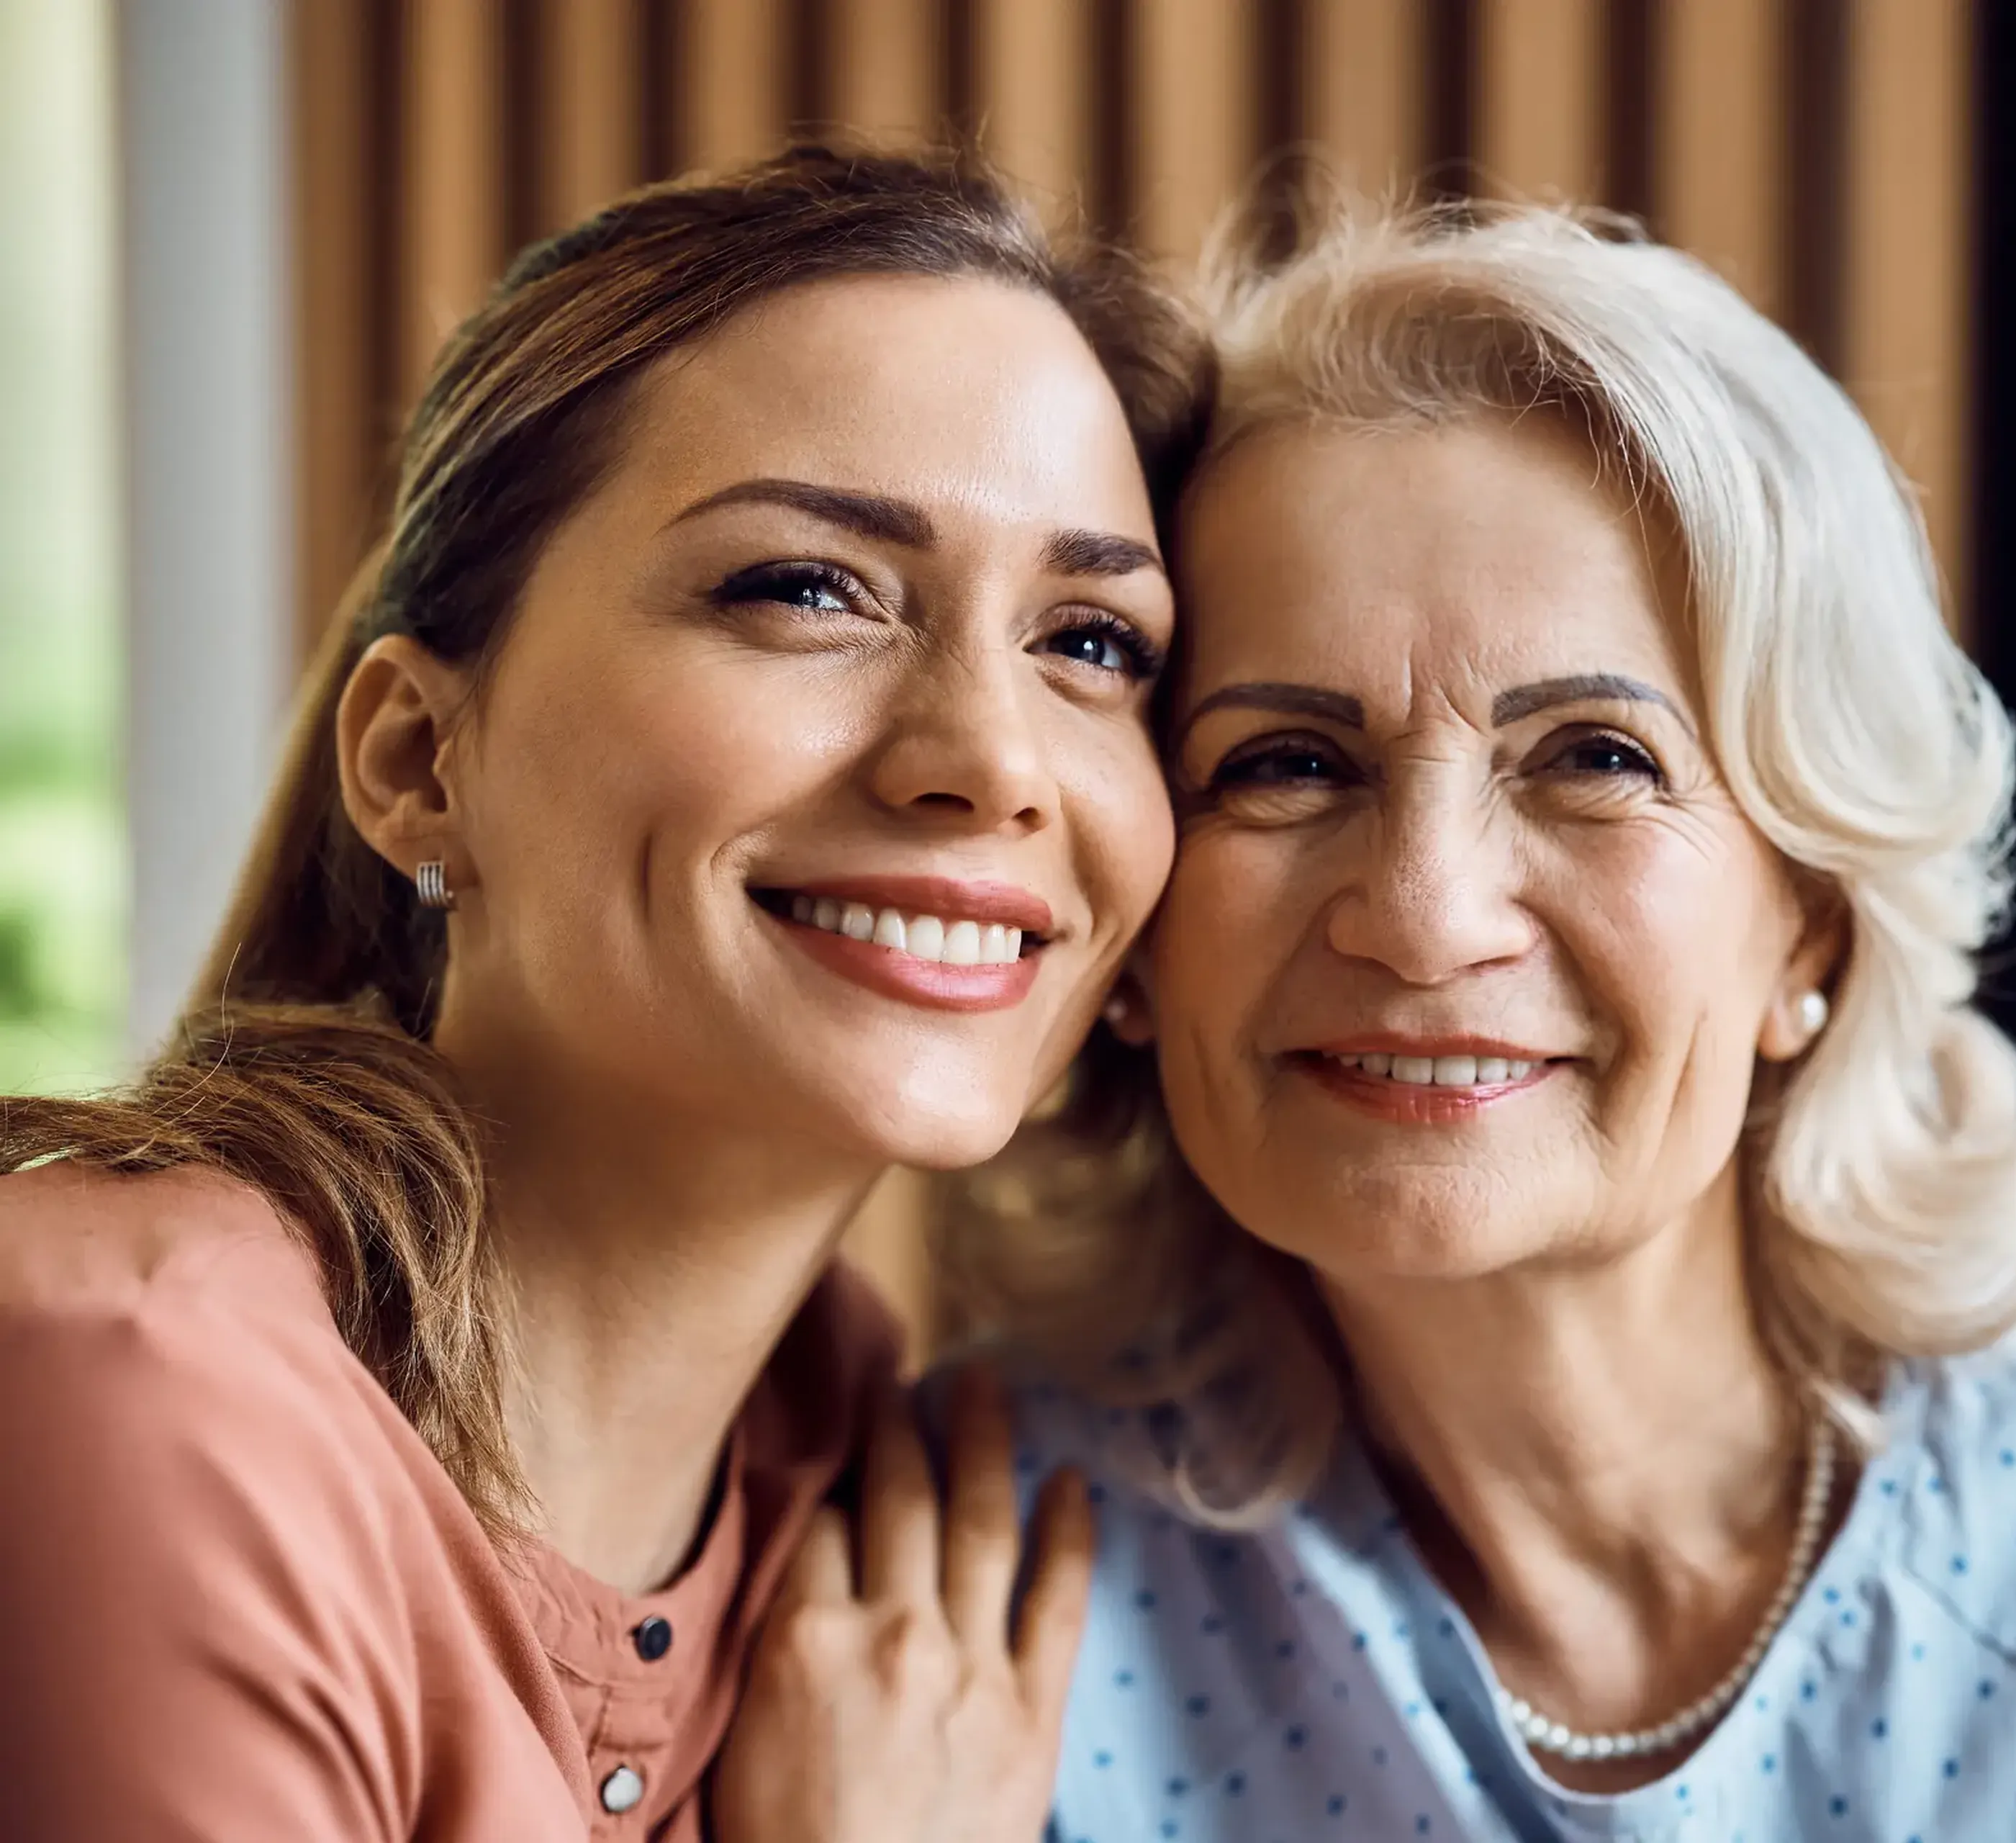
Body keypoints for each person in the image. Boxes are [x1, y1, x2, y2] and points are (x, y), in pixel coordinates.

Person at [918, 200, 2016, 1839]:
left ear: (1813, 920)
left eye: (1595, 758)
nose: (1424, 914)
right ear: (1133, 922)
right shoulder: (956, 1599)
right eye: (1285, 764)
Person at [0, 147, 1203, 1842]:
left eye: (1092, 641)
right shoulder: (129, 1378)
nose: (993, 760)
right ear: (420, 760)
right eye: (807, 588)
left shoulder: (857, 1463)